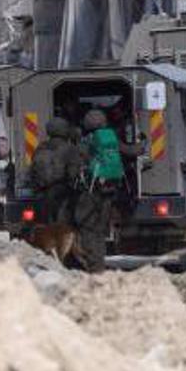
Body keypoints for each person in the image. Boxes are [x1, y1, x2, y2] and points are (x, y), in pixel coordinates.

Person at [74, 109, 124, 273]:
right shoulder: (111, 139)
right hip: (108, 191)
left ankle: (94, 267)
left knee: (88, 229)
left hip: (90, 192)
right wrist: (142, 146)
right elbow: (129, 151)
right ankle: (99, 265)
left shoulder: (85, 142)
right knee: (100, 231)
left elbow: (76, 163)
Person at [30, 118, 83, 224]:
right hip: (62, 195)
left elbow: (33, 170)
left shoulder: (40, 147)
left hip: (41, 193)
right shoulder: (70, 149)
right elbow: (74, 173)